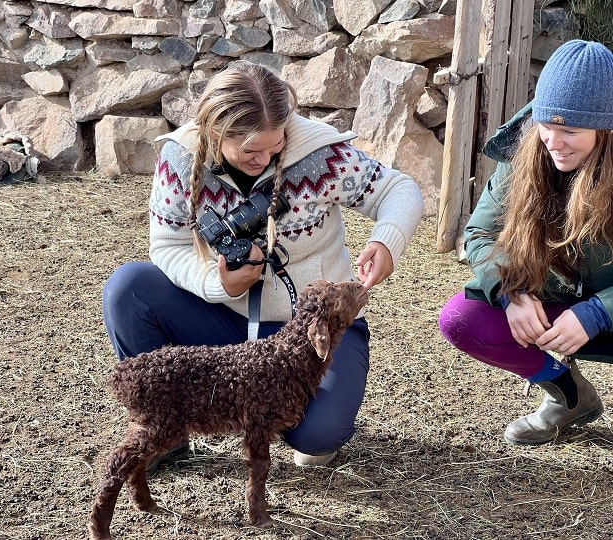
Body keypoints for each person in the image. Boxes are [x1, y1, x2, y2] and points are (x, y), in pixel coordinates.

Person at [102, 59, 423, 468]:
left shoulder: (319, 152)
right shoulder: (181, 158)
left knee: (318, 434)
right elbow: (168, 246)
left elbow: (399, 189)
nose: (265, 158)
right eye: (251, 150)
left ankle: (297, 423)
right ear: (215, 133)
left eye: (275, 145)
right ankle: (166, 426)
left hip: (311, 330)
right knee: (129, 288)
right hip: (224, 320)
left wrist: (386, 241)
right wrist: (219, 284)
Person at [439, 40, 613, 445]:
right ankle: (568, 396)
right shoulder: (524, 154)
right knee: (464, 319)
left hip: (605, 309)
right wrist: (510, 291)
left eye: (571, 130)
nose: (554, 142)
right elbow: (481, 234)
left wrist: (597, 313)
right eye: (546, 126)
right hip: (560, 297)